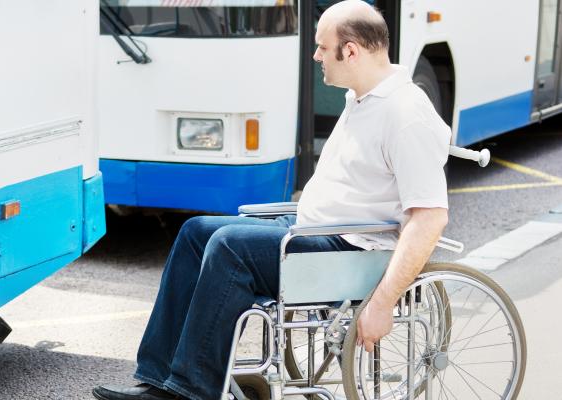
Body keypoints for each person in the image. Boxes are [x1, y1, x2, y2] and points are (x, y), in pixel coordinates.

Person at [93, 1, 450, 399]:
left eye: (321, 46)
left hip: (349, 250)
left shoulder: (405, 114)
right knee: (195, 231)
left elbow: (430, 217)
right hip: (311, 232)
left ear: (350, 51)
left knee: (231, 247)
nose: (315, 55)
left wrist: (383, 303)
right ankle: (158, 380)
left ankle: (191, 390)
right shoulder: (364, 99)